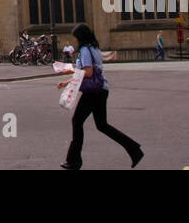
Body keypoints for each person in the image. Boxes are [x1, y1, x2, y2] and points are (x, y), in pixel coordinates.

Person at [57, 23, 143, 170]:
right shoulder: (94, 48)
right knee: (102, 125)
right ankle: (134, 149)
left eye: (76, 38)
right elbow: (90, 71)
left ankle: (74, 161)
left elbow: (88, 73)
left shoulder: (84, 50)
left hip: (93, 92)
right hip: (102, 89)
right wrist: (67, 82)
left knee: (77, 122)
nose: (75, 41)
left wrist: (69, 72)